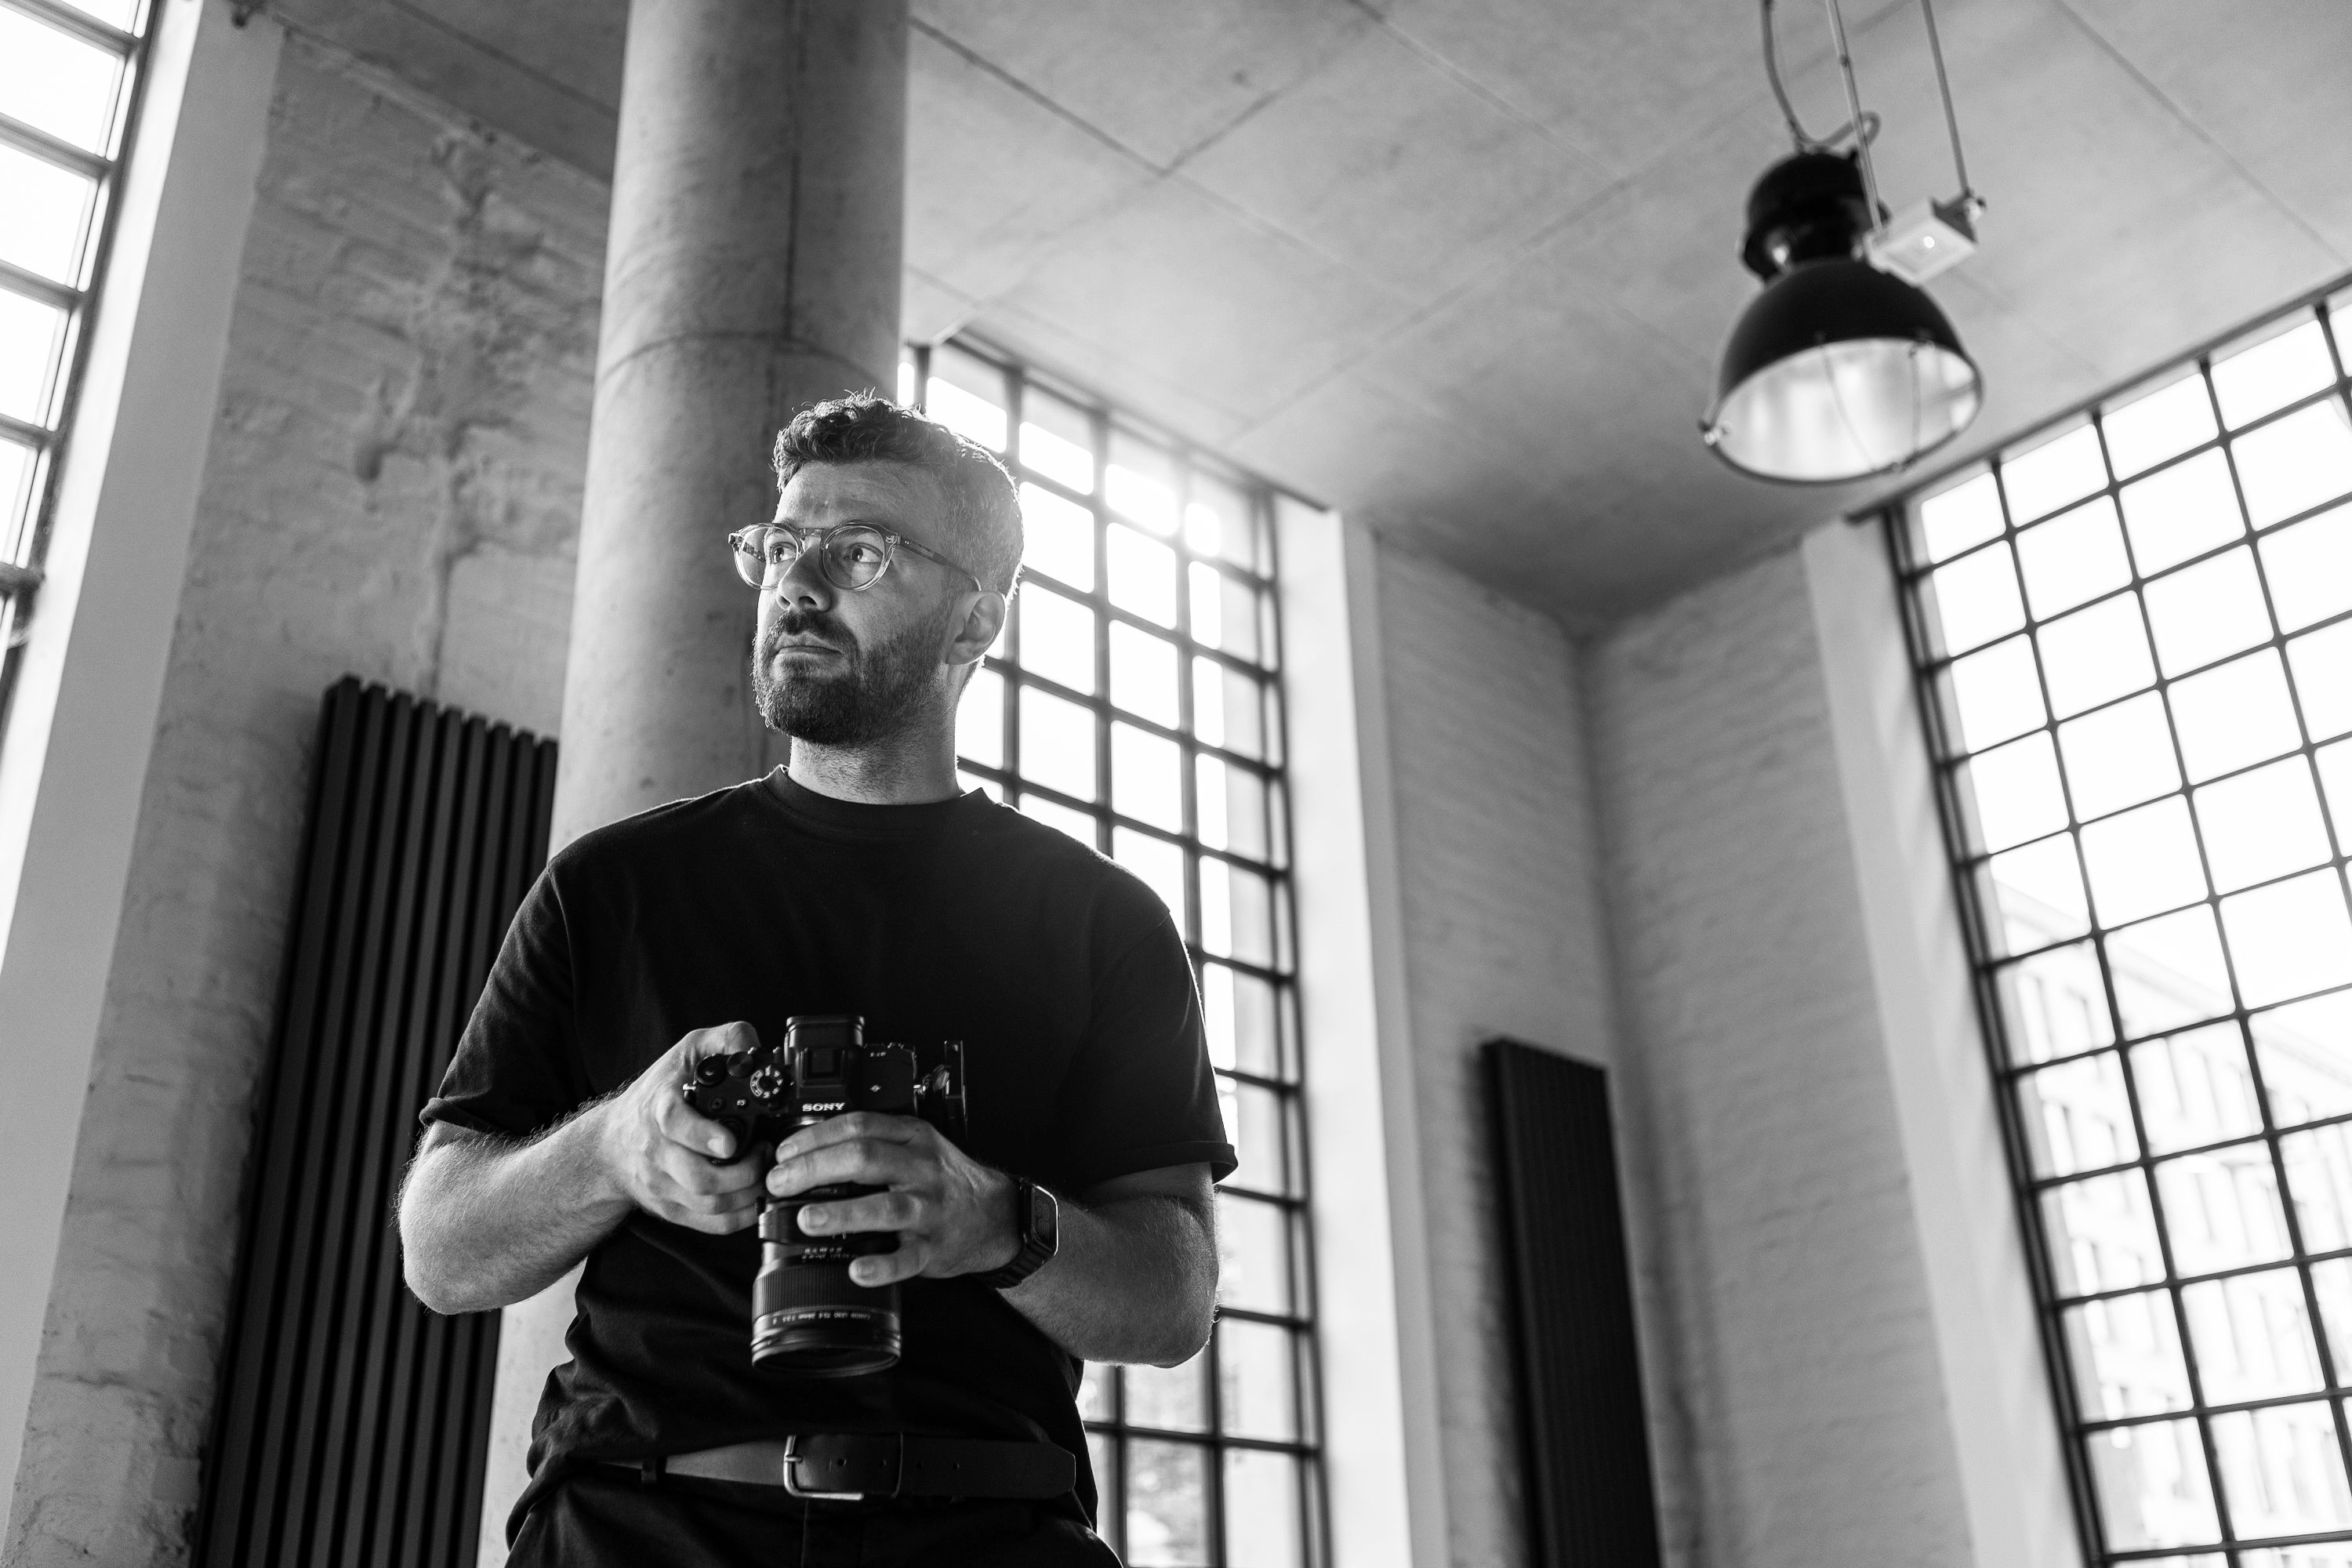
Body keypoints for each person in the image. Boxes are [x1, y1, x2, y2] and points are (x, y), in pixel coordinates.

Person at [397, 393, 1233, 1566]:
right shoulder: (611, 886)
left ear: (973, 618)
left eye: (859, 553)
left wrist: (994, 1222)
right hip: (634, 1526)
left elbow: (1175, 1300)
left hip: (990, 1533)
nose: (797, 584)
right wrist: (614, 1148)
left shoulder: (1103, 922)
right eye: (781, 546)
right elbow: (439, 1251)